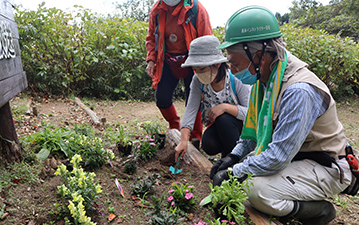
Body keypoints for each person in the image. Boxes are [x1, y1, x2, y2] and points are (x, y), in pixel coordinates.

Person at [209, 6, 353, 225]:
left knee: (256, 190)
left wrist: (233, 172)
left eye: (235, 63)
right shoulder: (266, 81)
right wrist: (233, 157)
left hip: (326, 165)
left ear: (258, 57)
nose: (232, 69)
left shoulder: (298, 91)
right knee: (246, 170)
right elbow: (252, 136)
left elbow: (277, 157)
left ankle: (318, 211)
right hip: (299, 157)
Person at [174, 35, 250, 162]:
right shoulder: (198, 81)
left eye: (202, 68)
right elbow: (191, 109)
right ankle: (228, 153)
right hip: (218, 126)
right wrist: (183, 140)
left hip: (241, 128)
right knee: (208, 144)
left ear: (217, 64)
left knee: (224, 118)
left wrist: (225, 107)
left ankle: (234, 160)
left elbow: (251, 114)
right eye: (195, 69)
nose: (199, 73)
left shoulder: (235, 78)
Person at [145, 0, 212, 144]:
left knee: (194, 100)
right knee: (162, 98)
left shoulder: (196, 9)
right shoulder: (157, 10)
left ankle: (195, 136)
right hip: (167, 61)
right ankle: (174, 125)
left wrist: (206, 65)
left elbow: (206, 38)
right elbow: (151, 37)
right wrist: (151, 59)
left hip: (192, 62)